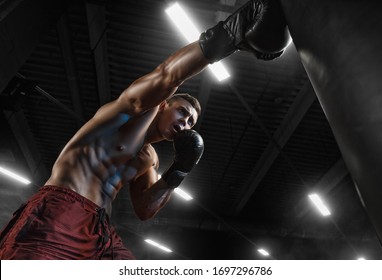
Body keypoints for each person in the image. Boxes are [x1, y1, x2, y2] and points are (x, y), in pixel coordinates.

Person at [0, 0, 290, 259]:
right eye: (183, 113)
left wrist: (180, 170)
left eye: (191, 123)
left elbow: (145, 210)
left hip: (99, 229)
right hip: (62, 209)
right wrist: (231, 35)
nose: (186, 124)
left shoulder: (149, 158)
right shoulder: (131, 112)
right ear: (164, 105)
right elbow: (168, 75)